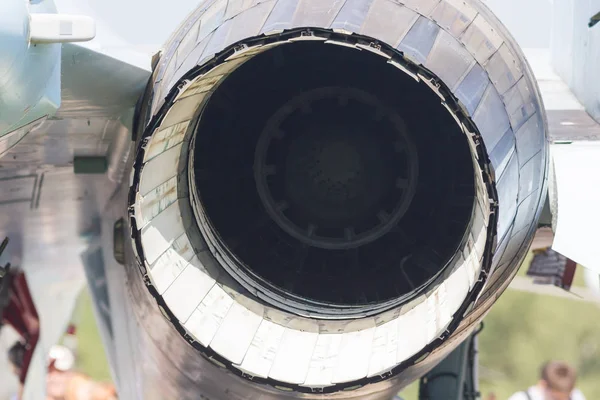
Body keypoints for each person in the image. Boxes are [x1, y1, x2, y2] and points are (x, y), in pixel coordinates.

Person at [508, 361, 586, 400]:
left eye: (568, 397)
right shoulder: (521, 398)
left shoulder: (576, 396)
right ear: (543, 385)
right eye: (556, 399)